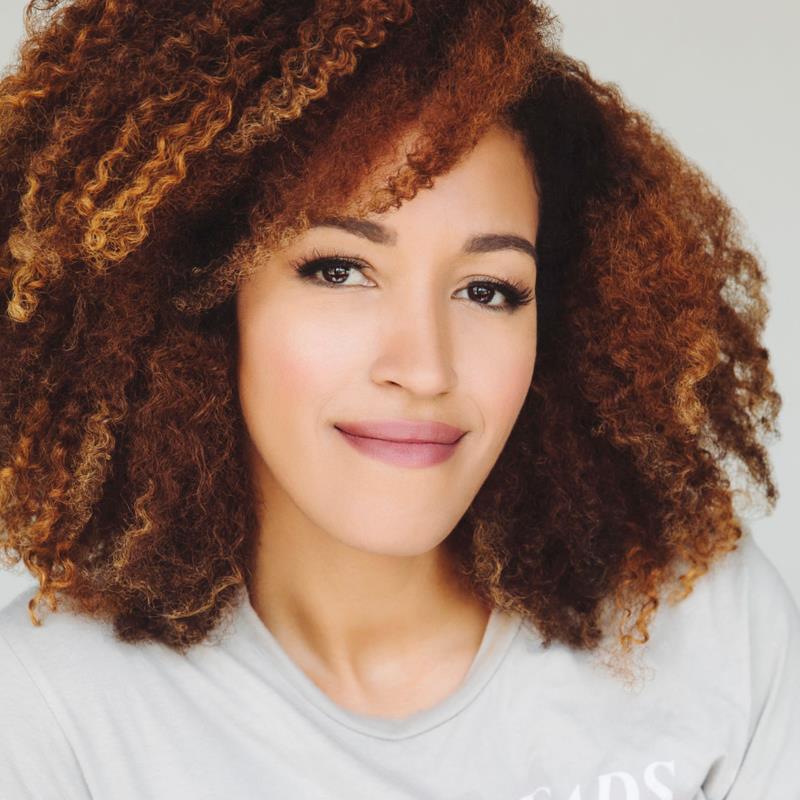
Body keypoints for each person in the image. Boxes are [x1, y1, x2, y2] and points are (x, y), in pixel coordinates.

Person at [0, 0, 798, 798]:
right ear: (204, 300)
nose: (424, 369)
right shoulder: (50, 715)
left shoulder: (706, 627)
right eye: (340, 271)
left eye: (487, 290)